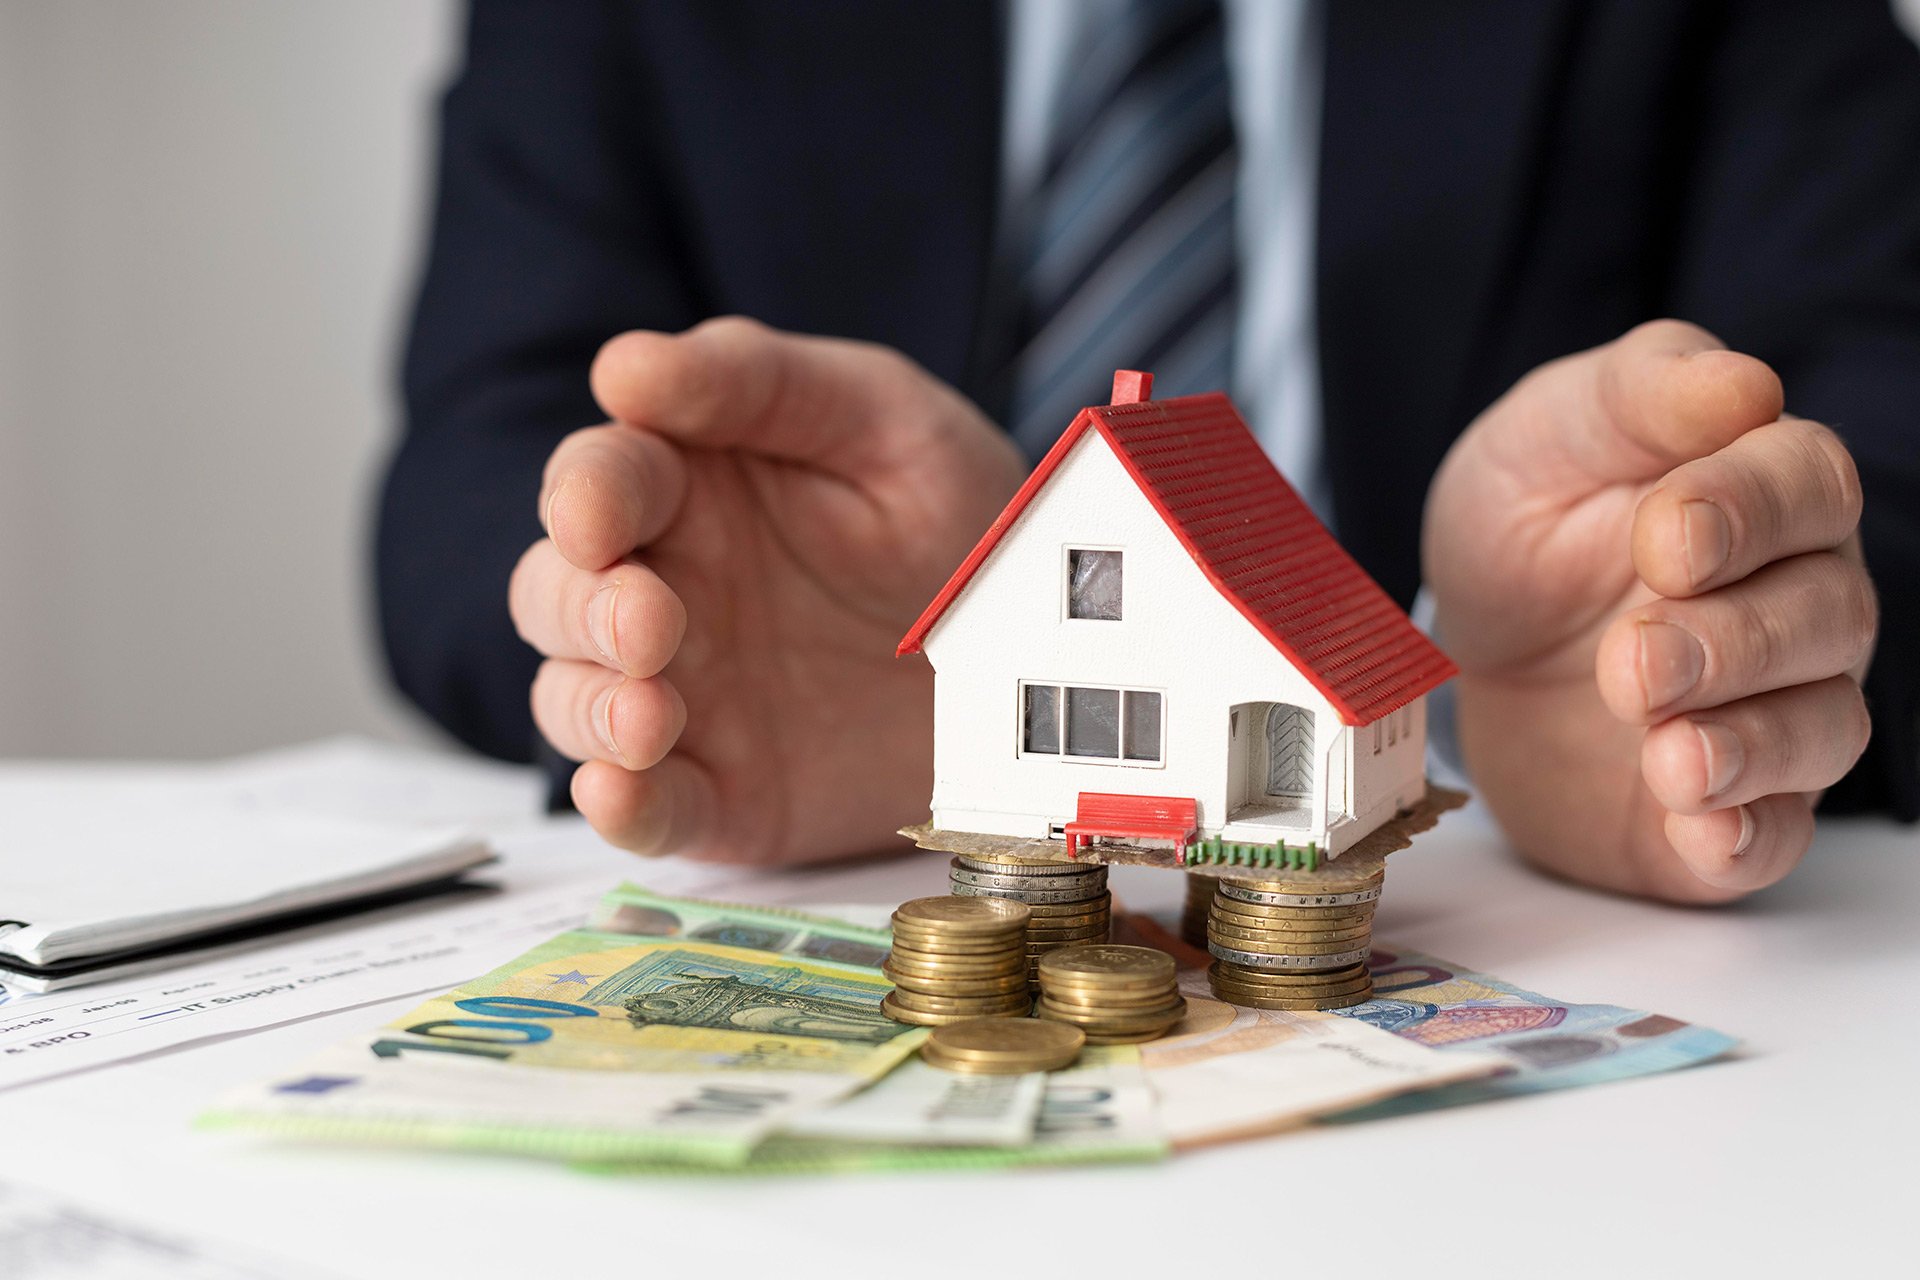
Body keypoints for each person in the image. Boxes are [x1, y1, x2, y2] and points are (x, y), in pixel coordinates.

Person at [377, 1, 1919, 906]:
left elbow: (1884, 414)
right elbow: (474, 458)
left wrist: (1703, 638)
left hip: (1532, 883)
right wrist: (652, 601)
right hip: (858, 823)